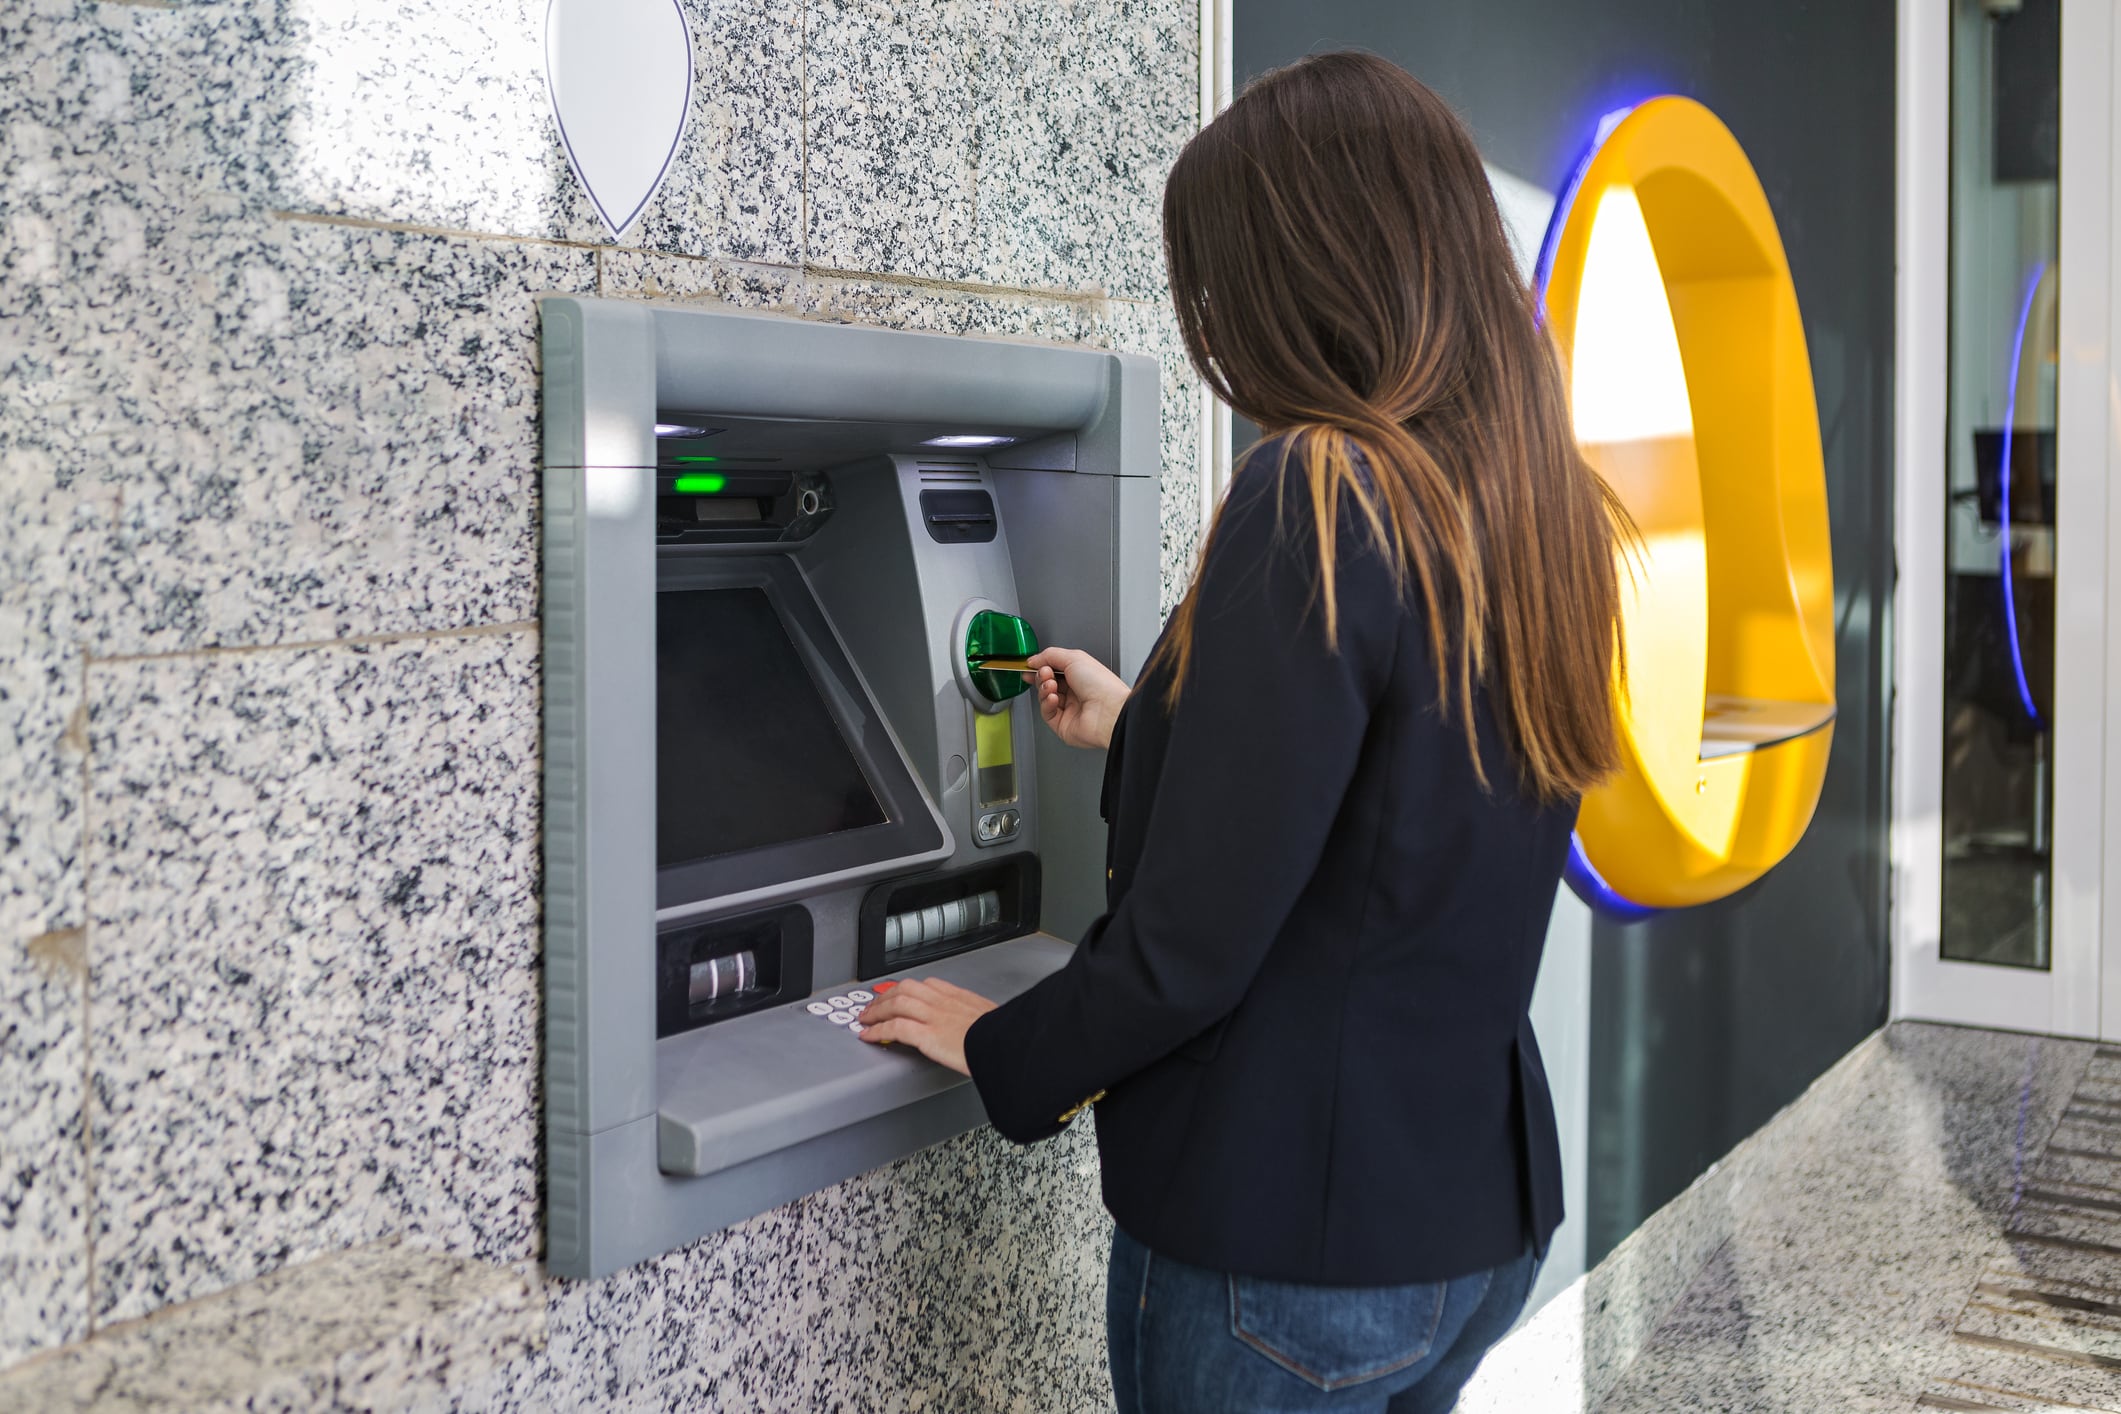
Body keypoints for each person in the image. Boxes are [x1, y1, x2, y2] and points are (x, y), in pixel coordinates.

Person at [859, 49, 1627, 1413]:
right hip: (1463, 1219)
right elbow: (1405, 795)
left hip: (1282, 1258)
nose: (1216, 329)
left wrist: (996, 1045)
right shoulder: (1526, 498)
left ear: (1304, 272)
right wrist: (1150, 713)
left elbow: (1184, 951)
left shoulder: (1320, 489)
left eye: (1219, 283)